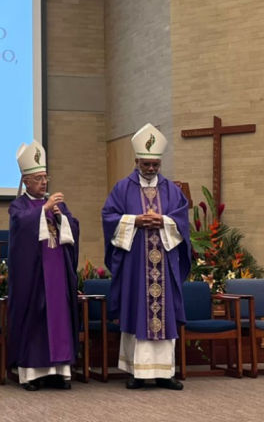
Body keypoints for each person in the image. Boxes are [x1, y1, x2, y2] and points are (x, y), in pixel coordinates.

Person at [101, 123, 191, 391]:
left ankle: (165, 374)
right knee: (138, 310)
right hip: (137, 267)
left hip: (163, 263)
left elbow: (182, 220)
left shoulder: (171, 190)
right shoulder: (122, 188)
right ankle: (137, 372)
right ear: (136, 161)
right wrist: (135, 221)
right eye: (146, 164)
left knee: (165, 313)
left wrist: (163, 221)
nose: (151, 169)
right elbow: (108, 217)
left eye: (155, 164)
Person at [7, 140, 80, 391]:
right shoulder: (19, 206)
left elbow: (73, 231)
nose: (44, 183)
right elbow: (21, 229)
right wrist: (44, 211)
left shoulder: (57, 205)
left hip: (57, 271)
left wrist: (63, 218)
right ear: (26, 181)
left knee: (59, 317)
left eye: (45, 178)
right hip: (34, 274)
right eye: (38, 179)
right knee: (36, 319)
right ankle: (32, 374)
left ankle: (59, 372)